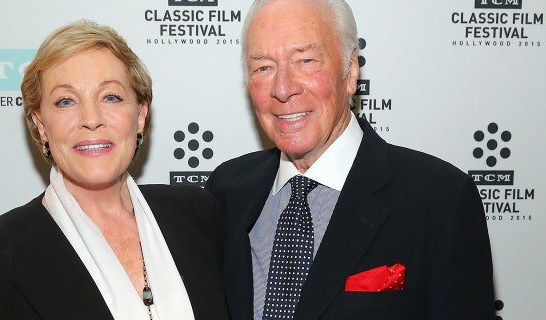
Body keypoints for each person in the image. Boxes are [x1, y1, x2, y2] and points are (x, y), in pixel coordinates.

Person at [204, 0, 495, 319]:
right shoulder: (226, 191)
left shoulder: (440, 199)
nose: (283, 89)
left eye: (305, 60)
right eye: (263, 67)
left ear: (351, 70)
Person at [0, 20, 228, 320]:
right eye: (66, 101)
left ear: (140, 115)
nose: (91, 118)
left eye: (110, 97)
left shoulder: (198, 215)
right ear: (40, 125)